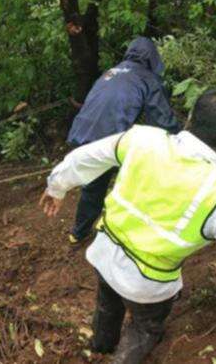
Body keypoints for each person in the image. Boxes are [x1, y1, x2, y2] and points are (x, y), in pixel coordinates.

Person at [40, 90, 216, 364]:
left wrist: (57, 187)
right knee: (145, 328)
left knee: (107, 303)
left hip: (104, 252)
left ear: (191, 118)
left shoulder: (142, 138)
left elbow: (84, 158)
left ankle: (100, 346)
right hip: (148, 284)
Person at [65, 36, 181, 244]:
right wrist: (179, 138)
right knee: (138, 175)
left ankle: (78, 234)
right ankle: (128, 229)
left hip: (81, 134)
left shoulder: (109, 73)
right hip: (109, 138)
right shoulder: (146, 77)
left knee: (94, 186)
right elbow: (162, 120)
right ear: (152, 58)